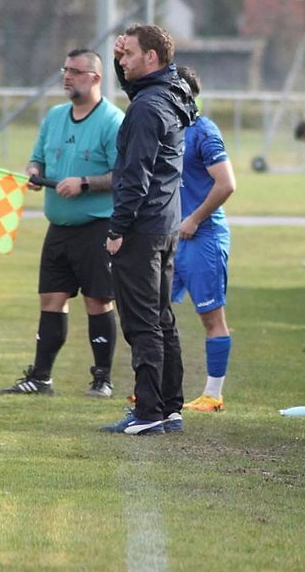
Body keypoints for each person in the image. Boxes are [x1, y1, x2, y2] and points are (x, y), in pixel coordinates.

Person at [0, 49, 123, 397]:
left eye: (76, 71)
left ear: (95, 78)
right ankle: (40, 377)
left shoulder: (112, 121)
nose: (67, 77)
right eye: (65, 70)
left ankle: (102, 379)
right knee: (51, 298)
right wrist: (35, 173)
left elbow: (123, 174)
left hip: (97, 226)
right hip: (59, 228)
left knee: (98, 301)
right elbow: (37, 158)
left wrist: (84, 183)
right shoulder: (54, 117)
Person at [101, 24, 198, 436]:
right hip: (166, 223)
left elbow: (135, 176)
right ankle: (170, 407)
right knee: (161, 318)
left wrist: (117, 228)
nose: (122, 60)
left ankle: (148, 412)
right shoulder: (173, 93)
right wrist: (121, 66)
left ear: (152, 58)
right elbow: (140, 92)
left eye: (128, 55)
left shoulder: (146, 107)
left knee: (142, 323)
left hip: (141, 227)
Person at [172, 66, 237, 412]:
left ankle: (213, 394)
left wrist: (195, 218)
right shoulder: (165, 130)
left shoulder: (203, 131)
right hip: (170, 236)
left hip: (202, 236)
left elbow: (226, 183)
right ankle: (160, 386)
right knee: (151, 311)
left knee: (211, 317)